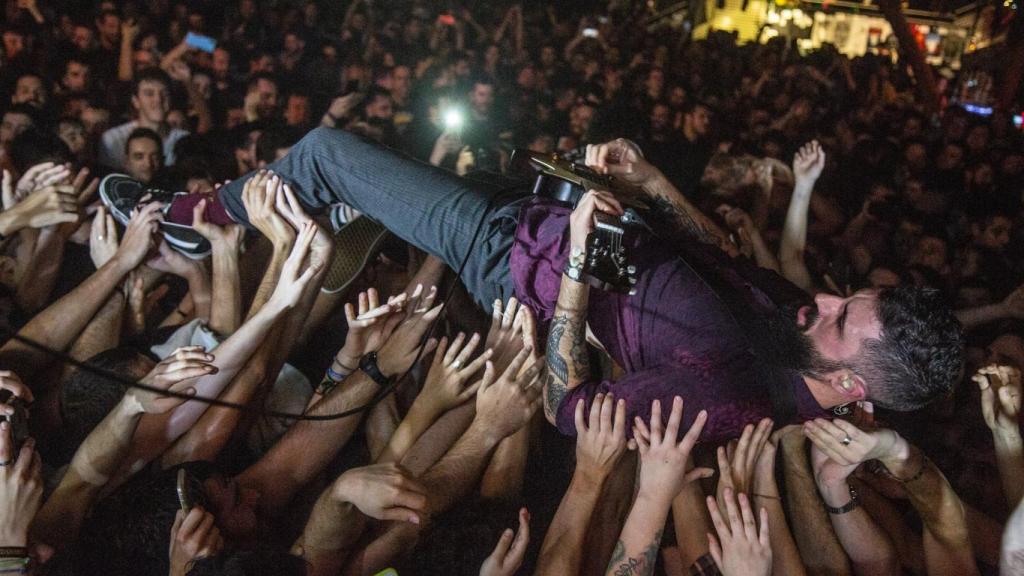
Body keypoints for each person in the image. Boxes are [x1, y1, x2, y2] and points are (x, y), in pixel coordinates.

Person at [100, 130, 964, 442]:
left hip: (508, 260)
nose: (823, 299)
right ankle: (318, 228)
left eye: (844, 320)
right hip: (542, 224)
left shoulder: (735, 397)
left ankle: (196, 215)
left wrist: (581, 264)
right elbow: (719, 256)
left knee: (328, 151)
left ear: (854, 385)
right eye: (847, 296)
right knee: (353, 183)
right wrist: (653, 181)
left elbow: (568, 409)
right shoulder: (791, 322)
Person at [98, 67, 189, 170]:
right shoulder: (113, 140)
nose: (158, 99)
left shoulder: (184, 140)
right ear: (136, 101)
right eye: (149, 94)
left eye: (164, 93)